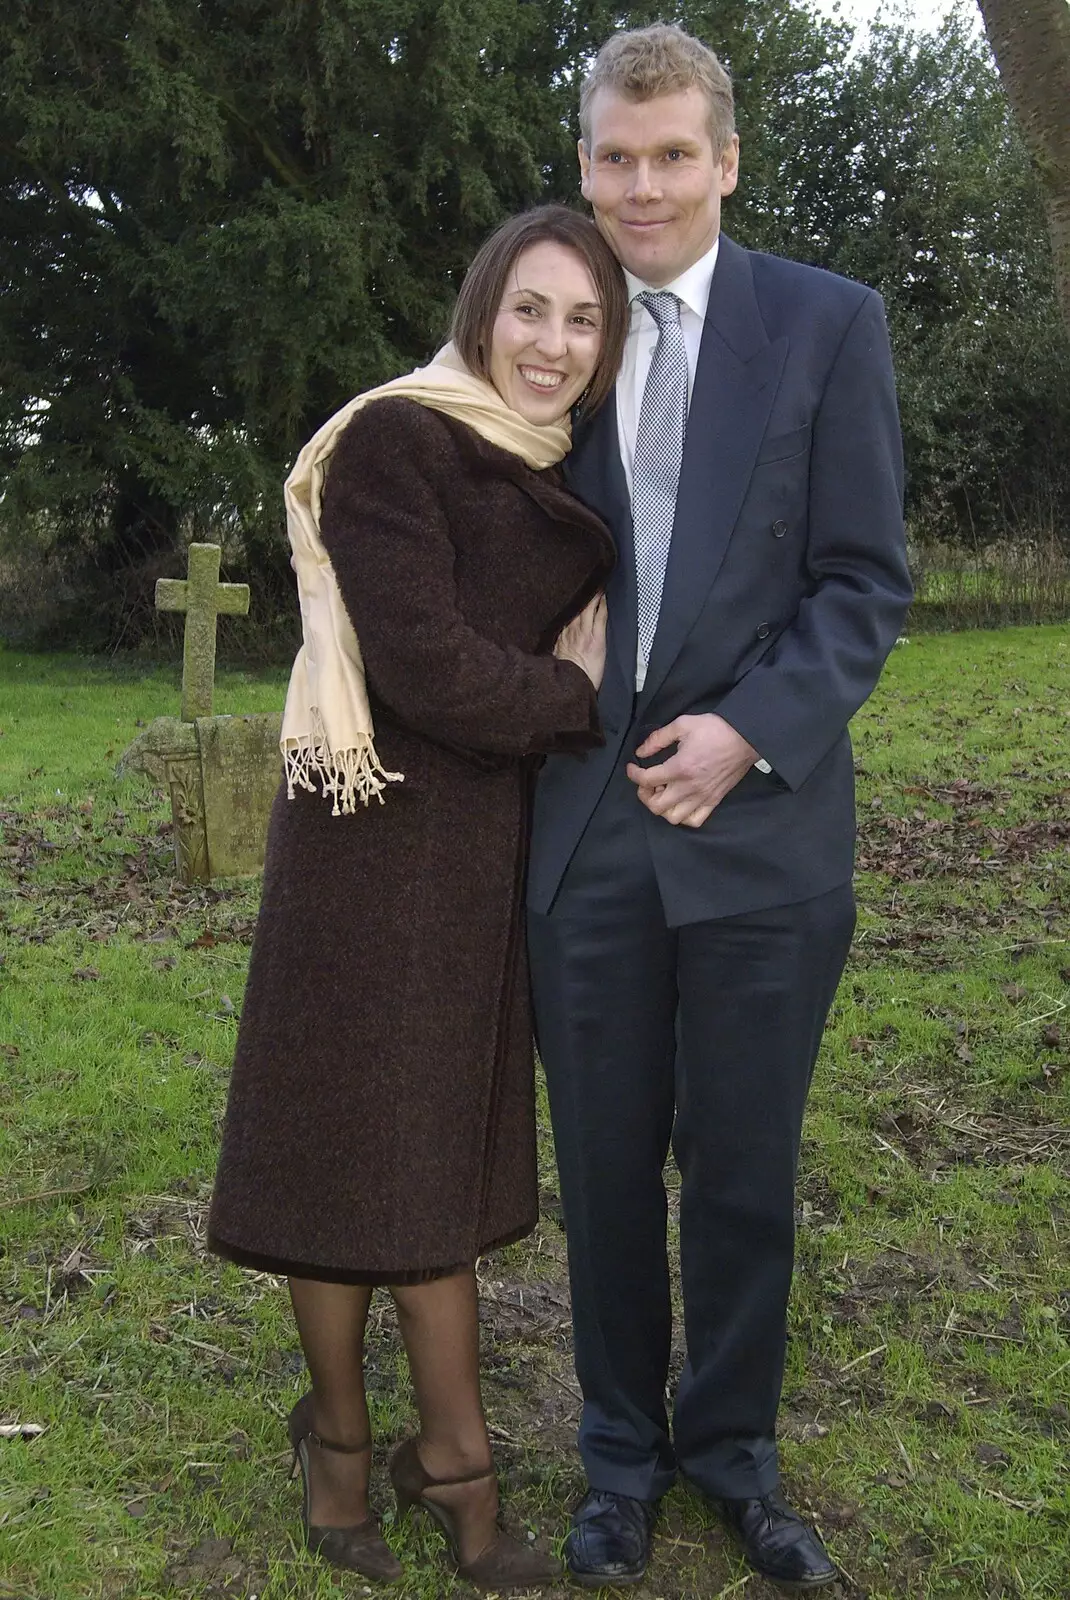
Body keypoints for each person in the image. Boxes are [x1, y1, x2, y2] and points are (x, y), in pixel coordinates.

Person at [526, 25, 913, 1592]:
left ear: (725, 161)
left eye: (671, 153)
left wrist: (744, 734)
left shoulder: (827, 325)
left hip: (760, 827)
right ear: (583, 167)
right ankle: (616, 1457)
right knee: (606, 1168)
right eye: (614, 157)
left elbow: (862, 583)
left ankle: (731, 1452)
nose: (642, 185)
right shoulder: (544, 331)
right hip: (585, 827)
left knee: (743, 1165)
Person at [207, 204, 627, 1589]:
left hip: (478, 849)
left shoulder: (573, 467)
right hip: (365, 833)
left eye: (583, 319)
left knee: (426, 1147)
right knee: (345, 1151)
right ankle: (396, 1447)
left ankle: (390, 1446)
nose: (552, 344)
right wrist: (567, 693)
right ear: (479, 309)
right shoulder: (399, 437)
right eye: (529, 309)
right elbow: (427, 667)